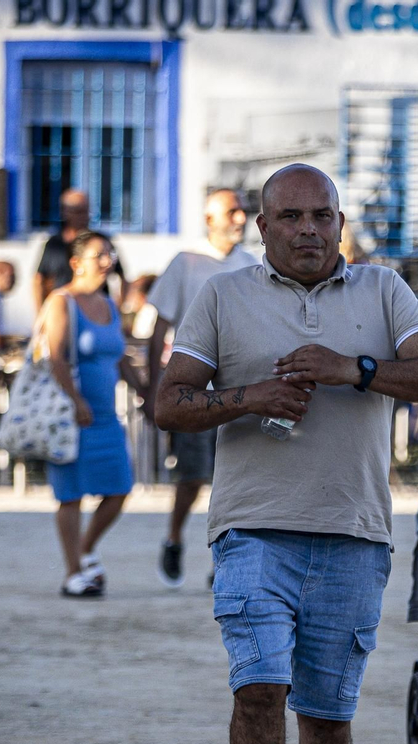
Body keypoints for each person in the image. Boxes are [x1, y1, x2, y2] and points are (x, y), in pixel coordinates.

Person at [154, 164, 418, 744]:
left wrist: (350, 369)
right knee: (259, 689)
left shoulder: (383, 290)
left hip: (354, 531)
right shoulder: (223, 296)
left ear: (341, 221)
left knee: (327, 714)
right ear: (262, 227)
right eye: (290, 216)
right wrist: (251, 396)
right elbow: (170, 402)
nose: (309, 229)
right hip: (253, 526)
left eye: (322, 215)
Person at [145, 188, 259, 589]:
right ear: (209, 219)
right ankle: (174, 538)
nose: (240, 218)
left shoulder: (252, 264)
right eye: (232, 211)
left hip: (242, 391)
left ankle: (225, 559)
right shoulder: (186, 263)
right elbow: (159, 326)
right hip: (196, 389)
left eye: (243, 211)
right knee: (192, 477)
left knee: (237, 479)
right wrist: (152, 387)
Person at [37, 233, 141, 598]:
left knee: (120, 487)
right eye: (98, 254)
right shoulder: (61, 301)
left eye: (109, 253)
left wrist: (144, 388)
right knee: (70, 495)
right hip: (72, 415)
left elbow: (119, 354)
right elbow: (56, 357)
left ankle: (85, 549)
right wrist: (75, 398)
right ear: (76, 262)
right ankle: (71, 573)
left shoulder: (109, 304)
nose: (106, 260)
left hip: (106, 416)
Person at [33, 189, 124, 310]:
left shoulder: (101, 242)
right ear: (65, 212)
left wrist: (120, 306)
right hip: (66, 307)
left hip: (98, 308)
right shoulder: (54, 244)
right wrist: (40, 311)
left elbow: (121, 276)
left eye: (85, 210)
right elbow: (40, 279)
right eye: (78, 211)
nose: (83, 216)